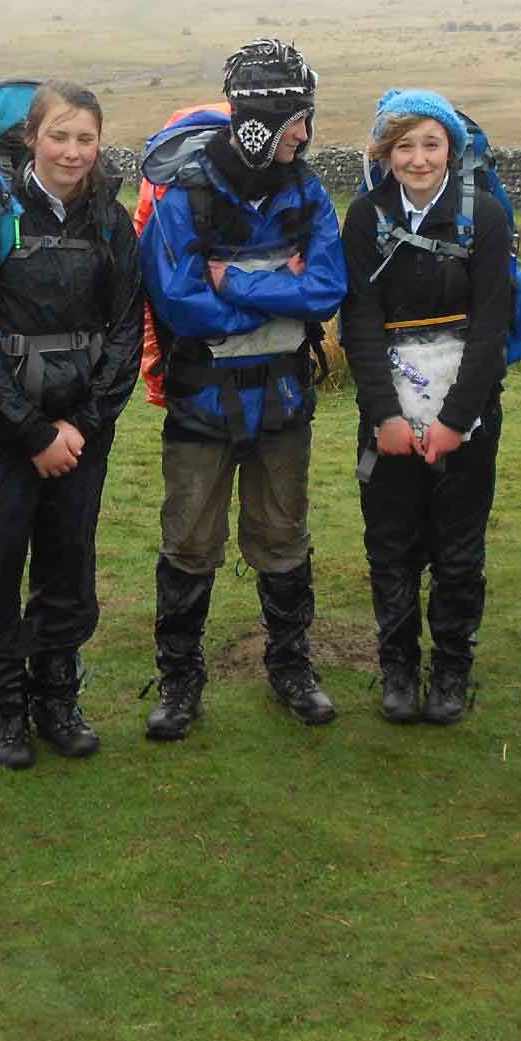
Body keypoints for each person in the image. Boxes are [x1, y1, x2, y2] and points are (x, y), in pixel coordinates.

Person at [138, 38, 349, 738]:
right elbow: (179, 302)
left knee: (283, 539)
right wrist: (275, 292)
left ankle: (291, 670)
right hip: (202, 404)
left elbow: (326, 290)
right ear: (264, 118)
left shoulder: (307, 189)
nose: (306, 136)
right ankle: (180, 684)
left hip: (283, 403)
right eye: (297, 121)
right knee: (189, 544)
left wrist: (237, 280)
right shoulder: (183, 195)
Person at [0, 81, 144, 768]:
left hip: (82, 434)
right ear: (32, 138)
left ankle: (57, 694)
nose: (72, 150)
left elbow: (125, 332)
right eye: (59, 135)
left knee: (68, 563)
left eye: (85, 138)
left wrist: (82, 426)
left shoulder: (113, 224)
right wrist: (32, 433)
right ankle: (2, 705)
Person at [339, 90, 512, 724]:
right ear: (384, 154)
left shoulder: (487, 218)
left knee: (459, 550)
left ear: (451, 149)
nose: (417, 159)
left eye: (430, 144)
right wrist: (384, 417)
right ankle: (398, 672)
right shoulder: (364, 218)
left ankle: (451, 672)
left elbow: (492, 327)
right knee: (391, 545)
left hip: (466, 419)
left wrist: (454, 423)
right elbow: (358, 321)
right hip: (387, 420)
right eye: (403, 146)